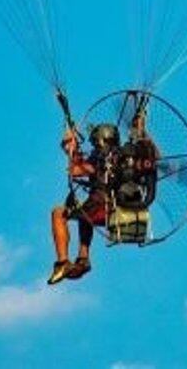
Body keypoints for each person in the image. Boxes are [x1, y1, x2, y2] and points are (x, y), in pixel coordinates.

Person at [48, 121, 118, 284]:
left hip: (102, 206)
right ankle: (83, 257)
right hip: (118, 207)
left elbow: (76, 171)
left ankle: (63, 263)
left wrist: (71, 150)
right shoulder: (125, 155)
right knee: (84, 213)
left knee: (58, 213)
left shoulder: (101, 157)